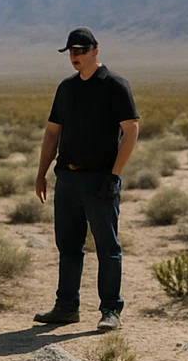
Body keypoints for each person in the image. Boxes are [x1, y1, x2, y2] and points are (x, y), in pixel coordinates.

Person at [32, 27, 139, 331]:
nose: (75, 57)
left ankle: (110, 310)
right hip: (67, 178)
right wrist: (41, 173)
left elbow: (131, 129)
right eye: (71, 52)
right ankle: (66, 307)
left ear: (96, 50)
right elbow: (53, 131)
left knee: (107, 246)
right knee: (68, 245)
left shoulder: (115, 85)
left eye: (80, 50)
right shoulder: (66, 88)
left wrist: (114, 175)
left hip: (100, 179)